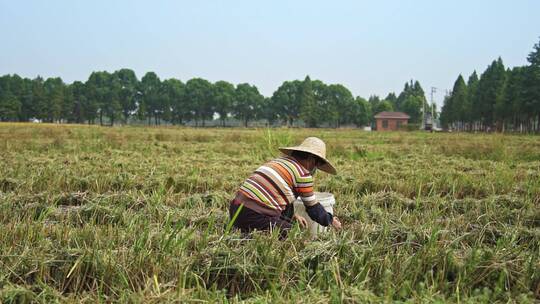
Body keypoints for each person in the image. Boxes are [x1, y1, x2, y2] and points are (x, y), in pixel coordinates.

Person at [229, 137, 342, 237]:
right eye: (316, 164)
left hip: (235, 210)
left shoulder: (279, 162)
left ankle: (245, 231)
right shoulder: (303, 174)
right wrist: (330, 220)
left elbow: (278, 196)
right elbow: (313, 209)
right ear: (312, 159)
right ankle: (249, 237)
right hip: (253, 215)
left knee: (287, 224)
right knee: (293, 234)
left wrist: (291, 216)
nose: (315, 168)